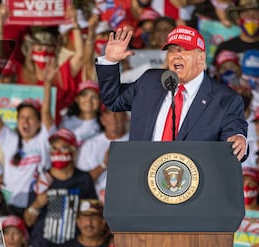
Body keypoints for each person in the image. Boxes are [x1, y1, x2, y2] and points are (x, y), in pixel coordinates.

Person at [95, 25, 248, 161]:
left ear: (201, 58)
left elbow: (234, 131)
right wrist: (110, 61)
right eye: (172, 51)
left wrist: (238, 139)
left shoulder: (225, 98)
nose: (175, 55)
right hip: (142, 180)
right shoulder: (149, 82)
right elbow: (113, 99)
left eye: (183, 50)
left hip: (194, 186)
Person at [0, 62, 56, 216]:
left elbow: (46, 112)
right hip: (10, 205)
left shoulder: (44, 139)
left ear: (39, 122)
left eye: (30, 118)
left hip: (36, 203)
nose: (25, 122)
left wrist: (47, 83)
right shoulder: (10, 139)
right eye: (22, 117)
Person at [24, 128, 97, 247]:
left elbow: (92, 213)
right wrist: (37, 204)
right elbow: (28, 221)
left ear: (73, 152)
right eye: (54, 149)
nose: (58, 153)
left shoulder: (84, 179)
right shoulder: (42, 180)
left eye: (63, 148)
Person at [76, 108, 129, 203]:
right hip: (97, 207)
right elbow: (81, 182)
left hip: (128, 202)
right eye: (108, 113)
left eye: (118, 112)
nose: (113, 117)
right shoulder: (90, 146)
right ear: (102, 120)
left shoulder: (137, 141)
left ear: (126, 117)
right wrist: (104, 165)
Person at [59, 80, 102, 147]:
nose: (89, 100)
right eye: (84, 95)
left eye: (94, 97)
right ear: (77, 99)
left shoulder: (105, 124)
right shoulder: (65, 121)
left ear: (99, 101)